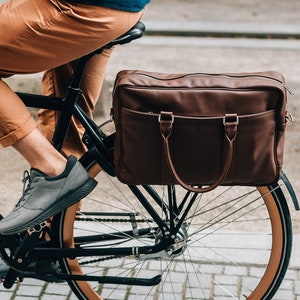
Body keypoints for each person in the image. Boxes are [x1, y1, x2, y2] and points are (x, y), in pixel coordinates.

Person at [0, 0, 150, 236]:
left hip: (80, 9)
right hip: (113, 8)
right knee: (67, 119)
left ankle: (53, 170)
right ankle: (47, 240)